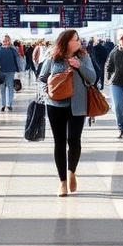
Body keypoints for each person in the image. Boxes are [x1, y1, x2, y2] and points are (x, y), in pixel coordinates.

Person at [38, 29, 96, 197]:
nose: (79, 42)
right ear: (68, 41)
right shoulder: (53, 56)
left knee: (74, 140)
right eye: (76, 39)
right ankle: (62, 182)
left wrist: (80, 66)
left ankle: (71, 172)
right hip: (55, 105)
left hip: (78, 105)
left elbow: (93, 78)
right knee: (59, 142)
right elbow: (42, 77)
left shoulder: (84, 56)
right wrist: (48, 91)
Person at [0, 34, 22, 111]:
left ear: (9, 41)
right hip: (1, 71)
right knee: (2, 89)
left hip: (10, 71)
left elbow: (17, 60)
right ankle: (3, 104)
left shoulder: (13, 50)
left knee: (10, 88)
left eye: (6, 41)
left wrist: (18, 70)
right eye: (3, 41)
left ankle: (9, 104)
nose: (5, 42)